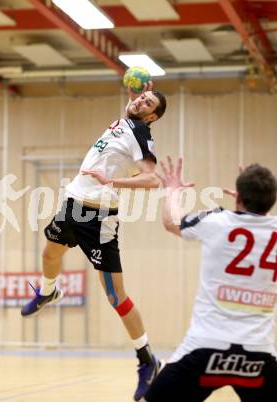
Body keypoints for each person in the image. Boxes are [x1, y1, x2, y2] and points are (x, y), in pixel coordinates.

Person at [21, 87, 167, 401]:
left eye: (148, 103)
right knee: (50, 254)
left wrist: (114, 182)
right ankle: (49, 291)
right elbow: (133, 103)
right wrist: (135, 94)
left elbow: (152, 179)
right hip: (73, 202)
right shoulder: (126, 120)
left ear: (152, 117)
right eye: (142, 97)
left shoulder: (140, 131)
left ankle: (147, 359)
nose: (141, 100)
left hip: (99, 217)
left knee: (115, 296)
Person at [142, 157, 277, 402]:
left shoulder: (217, 221)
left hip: (206, 348)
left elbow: (172, 221)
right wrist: (252, 202)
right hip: (259, 354)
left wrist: (173, 191)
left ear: (238, 198)